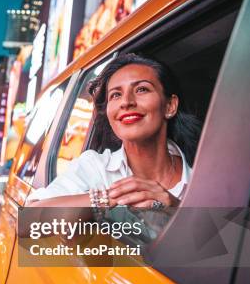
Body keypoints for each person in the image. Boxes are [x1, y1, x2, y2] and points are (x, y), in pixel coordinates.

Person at [28, 53, 201, 210]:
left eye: (141, 89)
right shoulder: (94, 166)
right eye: (116, 95)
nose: (126, 102)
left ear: (170, 106)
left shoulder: (203, 174)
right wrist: (110, 199)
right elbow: (28, 220)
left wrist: (175, 208)